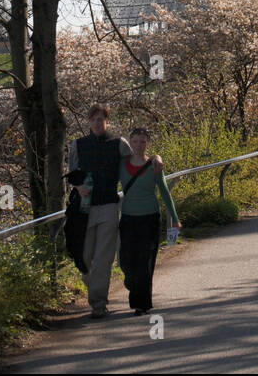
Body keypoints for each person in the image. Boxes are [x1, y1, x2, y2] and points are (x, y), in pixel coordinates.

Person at [66, 103, 160, 318]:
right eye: (94, 119)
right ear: (89, 121)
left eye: (101, 119)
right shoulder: (78, 145)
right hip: (85, 208)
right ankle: (94, 286)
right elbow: (72, 173)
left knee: (103, 258)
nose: (98, 123)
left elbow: (137, 158)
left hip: (109, 205)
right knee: (85, 256)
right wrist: (78, 187)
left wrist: (155, 158)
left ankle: (98, 303)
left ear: (107, 121)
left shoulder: (119, 144)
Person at [117, 127, 181, 315]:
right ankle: (131, 284)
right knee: (127, 261)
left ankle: (141, 304)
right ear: (130, 142)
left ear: (148, 144)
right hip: (128, 217)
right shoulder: (121, 164)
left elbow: (164, 191)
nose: (138, 145)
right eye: (135, 141)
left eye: (143, 141)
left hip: (150, 217)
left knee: (145, 262)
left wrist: (175, 218)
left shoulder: (154, 165)